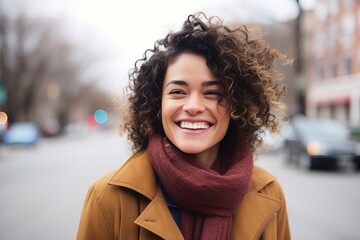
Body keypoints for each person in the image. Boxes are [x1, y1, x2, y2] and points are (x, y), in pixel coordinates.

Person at [77, 12, 291, 240]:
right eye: (178, 92)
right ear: (157, 104)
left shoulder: (270, 193)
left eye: (212, 93)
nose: (193, 106)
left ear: (237, 106)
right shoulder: (106, 199)